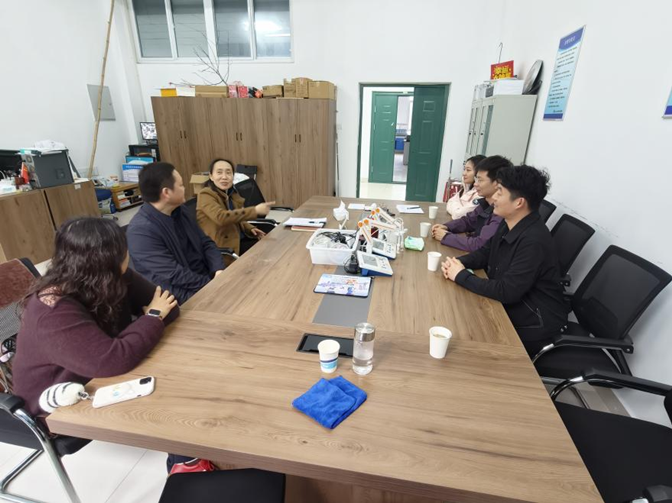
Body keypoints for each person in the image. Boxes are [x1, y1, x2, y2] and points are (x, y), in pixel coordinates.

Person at [13, 218, 179, 418]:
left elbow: (169, 306)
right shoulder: (52, 311)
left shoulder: (113, 277)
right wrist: (152, 316)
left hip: (99, 382)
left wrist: (136, 336)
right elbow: (113, 360)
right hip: (56, 408)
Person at [441, 165, 568, 357]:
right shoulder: (509, 222)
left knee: (463, 336)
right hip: (510, 307)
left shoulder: (533, 241)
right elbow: (485, 253)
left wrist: (460, 276)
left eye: (500, 192)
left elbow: (507, 291)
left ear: (519, 203)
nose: (494, 198)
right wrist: (457, 263)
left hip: (533, 321)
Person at [127, 162, 225, 304]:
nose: (184, 188)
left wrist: (219, 270)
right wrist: (212, 287)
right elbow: (175, 276)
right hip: (180, 296)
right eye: (181, 185)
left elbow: (206, 242)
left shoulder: (180, 210)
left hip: (206, 281)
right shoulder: (140, 232)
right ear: (166, 193)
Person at [431, 155, 512, 252]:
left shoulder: (502, 212)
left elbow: (480, 244)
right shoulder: (486, 203)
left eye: (480, 180)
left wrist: (446, 237)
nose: (475, 184)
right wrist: (447, 226)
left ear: (497, 183)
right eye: (476, 179)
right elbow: (468, 221)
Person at [197, 159, 275, 256]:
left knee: (273, 244)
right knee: (268, 252)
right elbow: (222, 217)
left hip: (239, 239)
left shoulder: (230, 192)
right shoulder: (205, 194)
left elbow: (235, 216)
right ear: (211, 176)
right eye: (219, 172)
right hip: (225, 248)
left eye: (228, 173)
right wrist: (254, 210)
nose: (224, 177)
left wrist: (249, 228)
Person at [446, 155, 485, 219]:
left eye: (468, 170)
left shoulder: (481, 194)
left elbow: (458, 215)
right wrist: (459, 208)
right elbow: (449, 202)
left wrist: (456, 207)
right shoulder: (467, 187)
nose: (464, 173)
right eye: (464, 169)